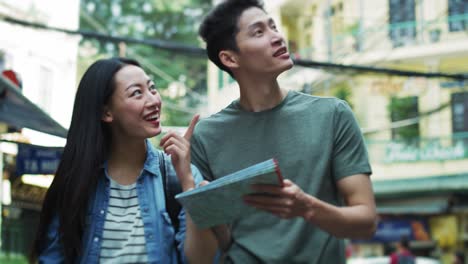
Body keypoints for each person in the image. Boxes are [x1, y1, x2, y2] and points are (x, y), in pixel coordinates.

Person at [191, 0, 377, 263]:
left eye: (273, 27)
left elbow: (366, 221)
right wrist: (197, 195)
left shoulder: (333, 115)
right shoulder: (205, 136)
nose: (277, 37)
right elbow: (215, 244)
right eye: (259, 32)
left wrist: (308, 208)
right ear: (229, 58)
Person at [30, 57, 217, 263]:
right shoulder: (77, 181)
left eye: (152, 88)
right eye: (137, 93)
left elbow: (201, 260)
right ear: (106, 112)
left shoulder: (179, 176)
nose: (154, 101)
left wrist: (188, 182)